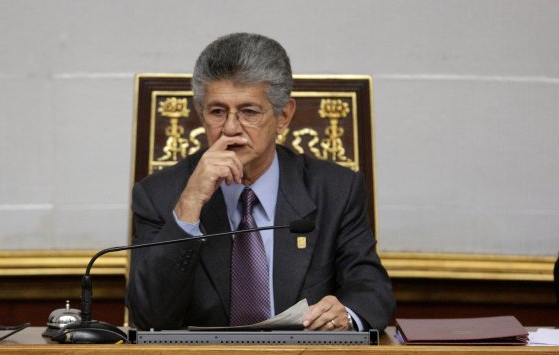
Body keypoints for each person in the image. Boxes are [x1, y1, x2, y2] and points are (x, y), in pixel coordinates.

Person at [126, 33, 395, 331]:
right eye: (217, 111)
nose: (230, 128)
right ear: (201, 115)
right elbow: (148, 317)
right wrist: (189, 207)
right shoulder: (159, 195)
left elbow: (372, 292)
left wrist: (346, 314)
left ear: (284, 116)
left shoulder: (336, 190)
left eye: (248, 112)